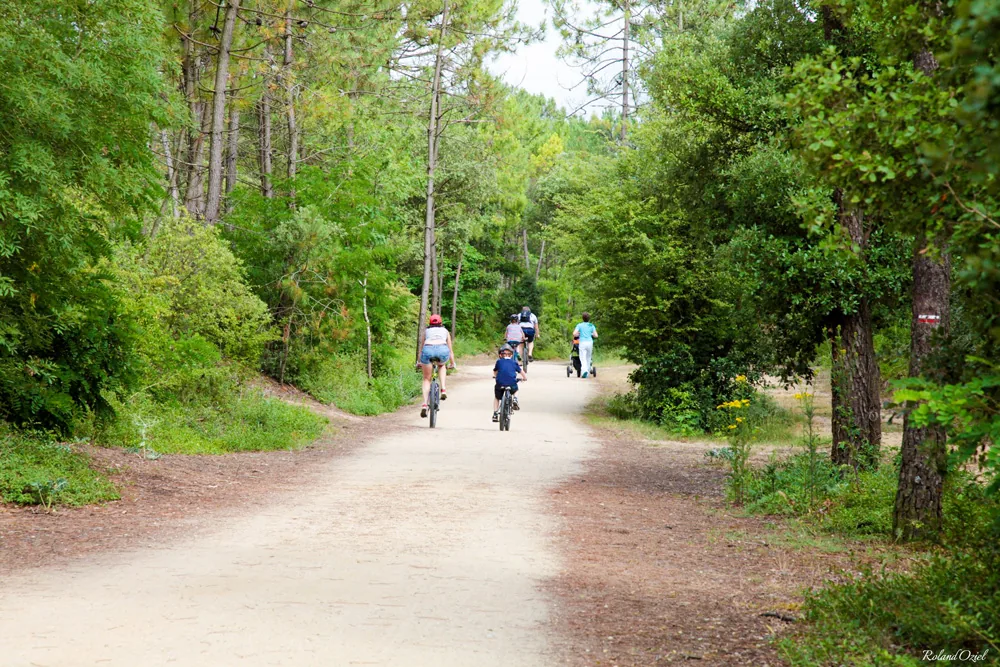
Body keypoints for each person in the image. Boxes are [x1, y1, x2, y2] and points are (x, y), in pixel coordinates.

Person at [419, 314, 455, 418]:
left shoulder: (426, 331)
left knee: (426, 379)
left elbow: (421, 349)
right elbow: (450, 350)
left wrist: (419, 362)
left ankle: (425, 404)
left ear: (430, 323)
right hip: (442, 350)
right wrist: (452, 363)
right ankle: (443, 389)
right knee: (442, 365)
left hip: (428, 350)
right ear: (441, 322)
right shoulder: (445, 331)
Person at [492, 344, 527, 422]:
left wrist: (495, 376)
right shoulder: (514, 362)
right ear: (511, 355)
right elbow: (522, 372)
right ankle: (515, 399)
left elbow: (495, 371)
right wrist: (524, 378)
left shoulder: (499, 362)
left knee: (497, 397)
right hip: (511, 383)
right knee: (516, 389)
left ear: (500, 355)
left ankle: (495, 413)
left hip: (500, 383)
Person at [572, 312, 598, 378]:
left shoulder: (579, 325)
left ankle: (584, 371)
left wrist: (579, 334)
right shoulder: (591, 325)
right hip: (590, 343)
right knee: (588, 357)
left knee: (583, 358)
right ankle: (587, 372)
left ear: (582, 318)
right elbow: (596, 335)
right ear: (589, 319)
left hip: (582, 342)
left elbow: (574, 334)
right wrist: (591, 334)